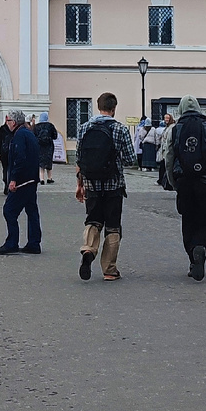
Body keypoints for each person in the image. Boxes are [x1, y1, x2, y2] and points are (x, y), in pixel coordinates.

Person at [162, 95, 206, 282]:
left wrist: (174, 182)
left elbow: (169, 157)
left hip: (185, 181)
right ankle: (203, 247)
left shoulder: (175, 129)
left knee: (188, 219)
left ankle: (192, 255)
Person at [74, 91, 135, 282]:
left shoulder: (84, 128)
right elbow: (131, 159)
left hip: (91, 183)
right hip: (114, 185)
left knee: (93, 220)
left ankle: (88, 250)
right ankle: (109, 269)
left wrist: (80, 184)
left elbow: (79, 159)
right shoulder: (120, 129)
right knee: (113, 226)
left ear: (98, 106)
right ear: (114, 108)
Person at [0, 112, 41, 254]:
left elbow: (19, 158)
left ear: (14, 122)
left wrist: (13, 178)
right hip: (32, 178)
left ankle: (12, 243)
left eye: (8, 120)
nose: (7, 122)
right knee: (32, 210)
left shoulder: (20, 135)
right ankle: (34, 243)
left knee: (9, 210)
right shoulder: (29, 133)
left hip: (23, 180)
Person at [33, 112, 57, 184]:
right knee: (49, 161)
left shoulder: (36, 127)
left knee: (41, 162)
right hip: (49, 145)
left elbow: (33, 136)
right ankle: (49, 178)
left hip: (39, 146)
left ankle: (41, 178)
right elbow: (55, 136)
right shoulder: (50, 126)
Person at [0, 113, 13, 192]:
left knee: (11, 169)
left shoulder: (15, 129)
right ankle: (6, 183)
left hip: (12, 152)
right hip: (4, 152)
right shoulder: (3, 128)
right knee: (5, 169)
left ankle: (10, 184)